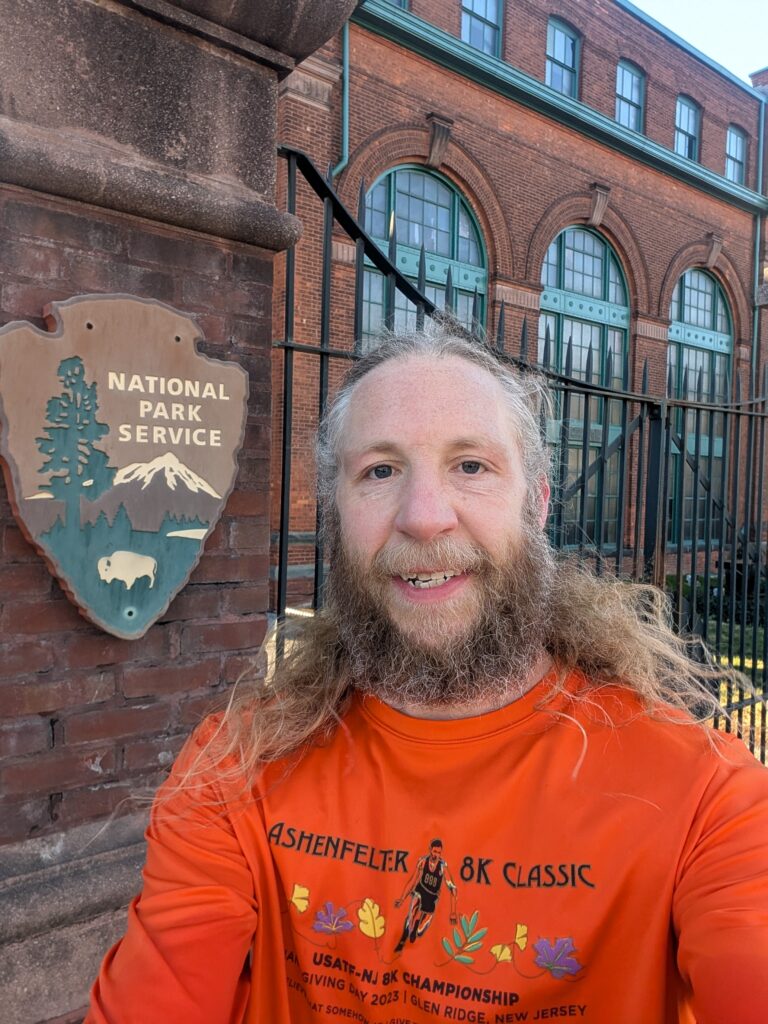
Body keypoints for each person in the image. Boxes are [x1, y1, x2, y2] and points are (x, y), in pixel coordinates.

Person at [86, 326, 768, 1024]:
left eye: (470, 466)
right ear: (338, 514)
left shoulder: (703, 803)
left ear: (537, 503)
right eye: (380, 472)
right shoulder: (235, 773)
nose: (423, 518)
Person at [393, 838, 457, 953]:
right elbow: (413, 880)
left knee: (420, 932)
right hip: (421, 890)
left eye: (439, 852)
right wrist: (403, 898)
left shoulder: (442, 866)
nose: (436, 854)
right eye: (434, 851)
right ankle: (404, 937)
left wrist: (453, 912)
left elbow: (452, 888)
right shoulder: (423, 861)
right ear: (430, 850)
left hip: (432, 897)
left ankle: (417, 926)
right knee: (413, 910)